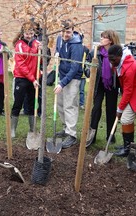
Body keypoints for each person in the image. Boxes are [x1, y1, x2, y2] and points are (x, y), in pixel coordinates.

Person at [86, 30, 120, 148]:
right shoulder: (96, 51)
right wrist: (89, 71)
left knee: (111, 110)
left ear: (110, 40)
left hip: (112, 84)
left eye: (103, 37)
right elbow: (87, 64)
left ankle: (110, 135)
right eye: (100, 37)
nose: (101, 39)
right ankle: (92, 134)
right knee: (96, 108)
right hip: (99, 84)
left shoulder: (116, 52)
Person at [108, 44, 136, 157]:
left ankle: (127, 148)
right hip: (131, 93)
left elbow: (128, 91)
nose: (111, 63)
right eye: (110, 60)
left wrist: (120, 108)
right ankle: (127, 145)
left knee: (125, 119)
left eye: (113, 60)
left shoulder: (130, 67)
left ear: (120, 56)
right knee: (126, 119)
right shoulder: (120, 63)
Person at [54, 19, 84, 148]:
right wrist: (56, 53)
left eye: (68, 32)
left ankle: (72, 135)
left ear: (72, 31)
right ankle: (65, 127)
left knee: (69, 105)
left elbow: (75, 67)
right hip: (62, 75)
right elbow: (58, 49)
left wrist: (62, 83)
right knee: (60, 103)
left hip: (73, 78)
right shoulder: (60, 39)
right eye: (64, 32)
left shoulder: (76, 44)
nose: (66, 34)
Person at [10, 21, 41, 137]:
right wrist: (32, 79)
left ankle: (32, 129)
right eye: (27, 33)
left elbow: (41, 61)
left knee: (33, 103)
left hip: (33, 79)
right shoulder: (19, 45)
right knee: (18, 102)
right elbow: (21, 65)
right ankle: (12, 129)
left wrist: (44, 51)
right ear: (23, 33)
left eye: (31, 33)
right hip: (21, 78)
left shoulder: (37, 44)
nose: (29, 35)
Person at [79, 43, 89, 110]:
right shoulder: (75, 50)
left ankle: (81, 103)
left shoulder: (86, 50)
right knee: (74, 90)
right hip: (76, 75)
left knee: (82, 90)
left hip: (83, 75)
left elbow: (88, 61)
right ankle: (74, 103)